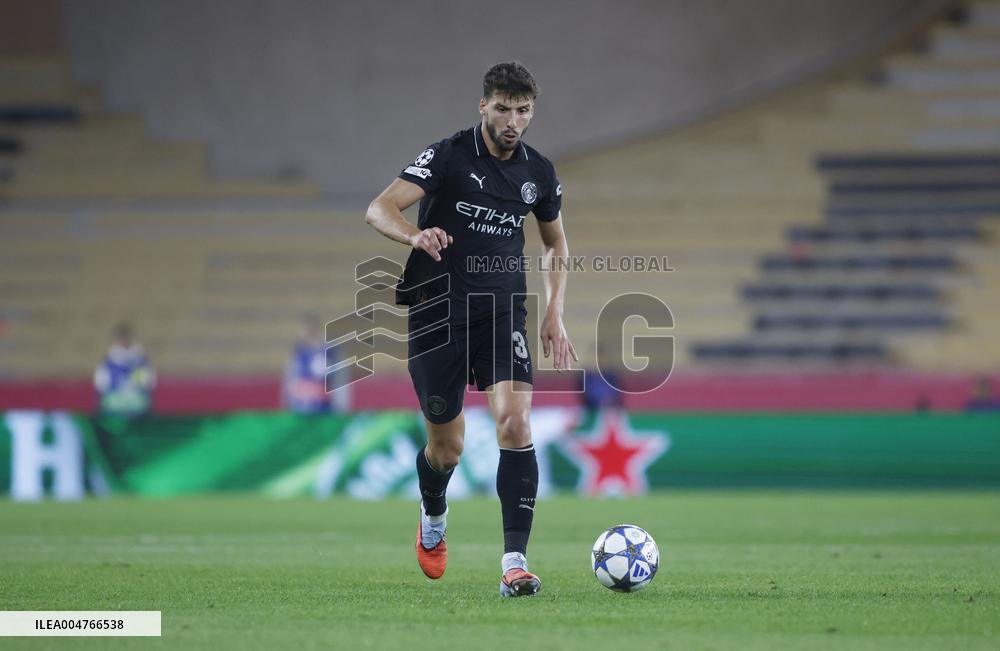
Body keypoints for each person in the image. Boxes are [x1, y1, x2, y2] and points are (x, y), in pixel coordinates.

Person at [365, 62, 577, 597]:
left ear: (532, 112)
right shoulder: (449, 155)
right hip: (438, 309)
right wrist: (414, 237)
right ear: (483, 106)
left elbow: (554, 244)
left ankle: (514, 564)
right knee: (448, 450)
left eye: (523, 110)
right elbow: (378, 207)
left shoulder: (540, 174)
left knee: (515, 424)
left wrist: (554, 312)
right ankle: (433, 511)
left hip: (503, 310)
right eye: (503, 108)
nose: (513, 120)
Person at [283, 313, 350, 414]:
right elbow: (290, 381)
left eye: (306, 329)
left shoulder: (331, 352)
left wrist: (340, 406)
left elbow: (340, 380)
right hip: (301, 408)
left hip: (326, 409)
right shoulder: (298, 352)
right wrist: (289, 404)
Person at [93, 322, 156, 416]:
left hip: (137, 407)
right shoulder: (108, 362)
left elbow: (149, 383)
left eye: (125, 337)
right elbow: (100, 385)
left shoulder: (141, 362)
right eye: (121, 338)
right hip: (114, 407)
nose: (123, 340)